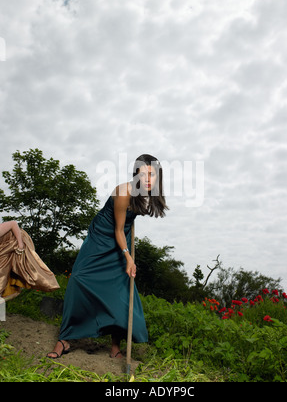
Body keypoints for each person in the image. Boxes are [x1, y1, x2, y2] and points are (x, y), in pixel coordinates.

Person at [47, 154, 168, 359]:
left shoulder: (148, 195)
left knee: (121, 291)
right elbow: (117, 229)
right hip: (102, 238)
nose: (148, 179)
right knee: (78, 280)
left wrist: (127, 252)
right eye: (144, 173)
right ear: (135, 174)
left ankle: (115, 348)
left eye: (152, 174)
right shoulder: (124, 192)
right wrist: (128, 257)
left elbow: (125, 227)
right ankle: (64, 339)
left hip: (122, 239)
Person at [0, 220, 60, 301]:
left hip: (16, 240)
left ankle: (48, 282)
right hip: (4, 248)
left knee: (3, 271)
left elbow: (13, 223)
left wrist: (20, 245)